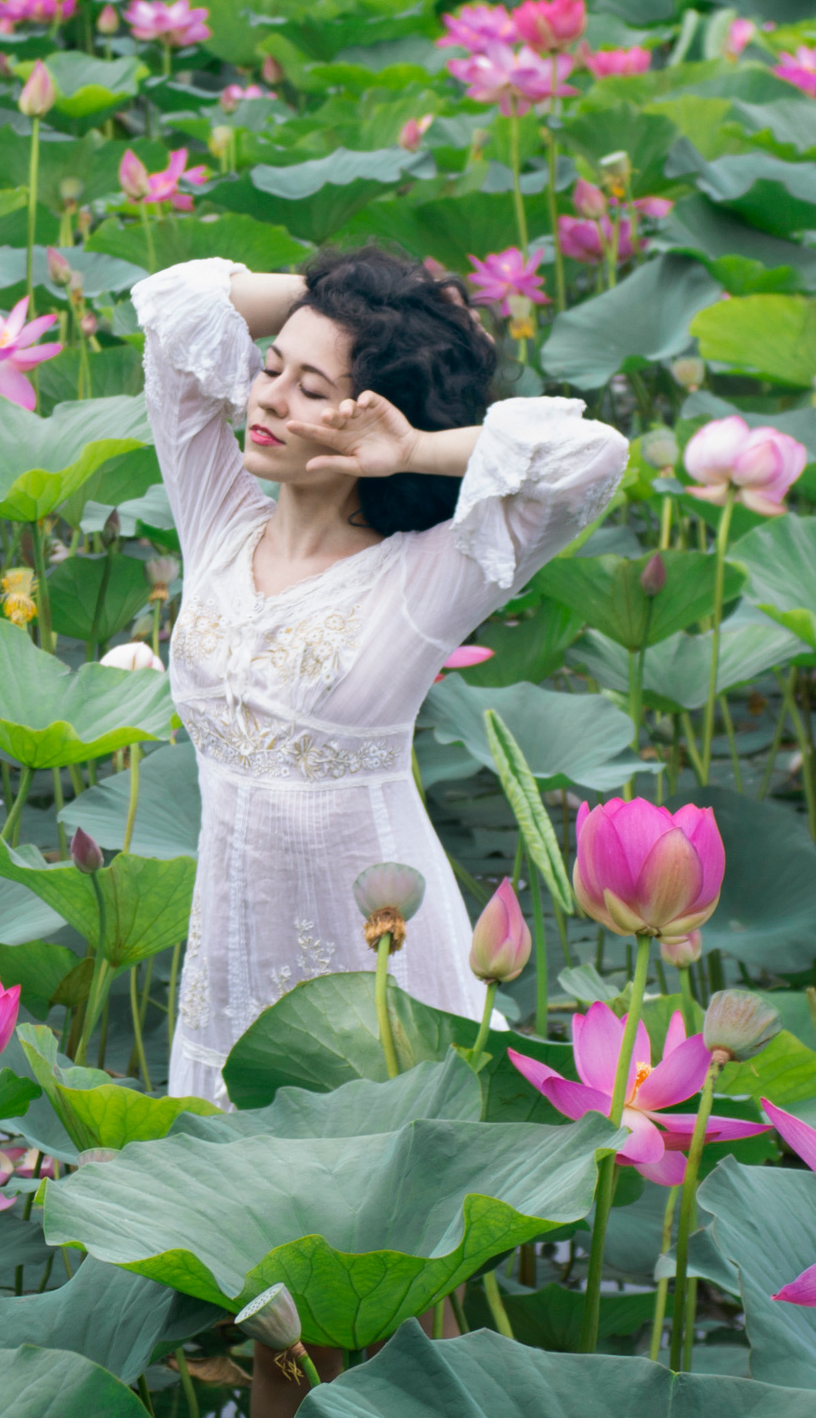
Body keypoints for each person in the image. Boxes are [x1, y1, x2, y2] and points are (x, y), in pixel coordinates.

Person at [134, 247, 626, 1106]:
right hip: (230, 970)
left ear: (373, 414)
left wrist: (417, 448)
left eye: (313, 391)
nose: (269, 398)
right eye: (271, 367)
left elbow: (591, 457)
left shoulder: (429, 575)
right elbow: (174, 306)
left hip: (380, 963)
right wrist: (346, 299)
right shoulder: (215, 516)